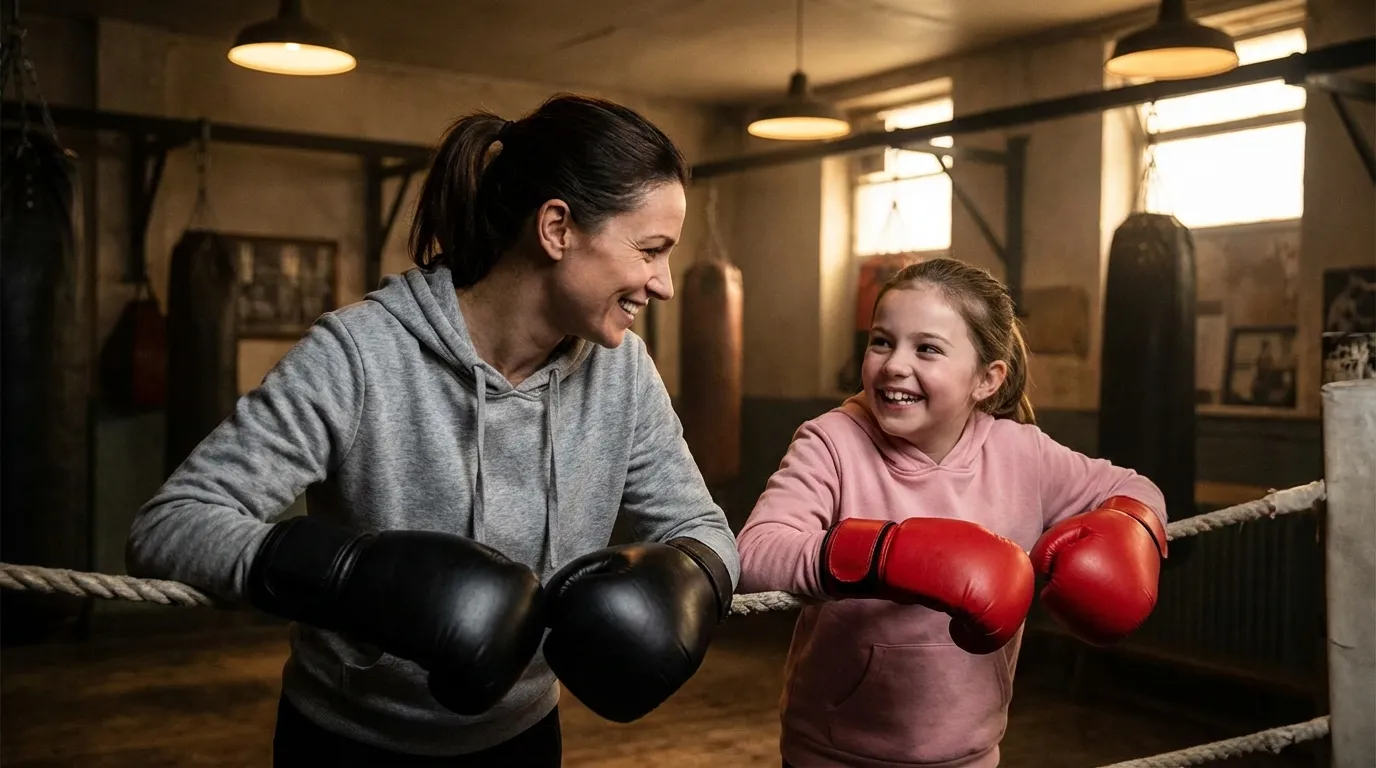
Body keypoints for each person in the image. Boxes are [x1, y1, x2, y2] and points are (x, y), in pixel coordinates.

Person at [125, 93, 740, 767]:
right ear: (558, 227)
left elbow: (704, 528)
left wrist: (690, 577)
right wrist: (354, 576)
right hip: (343, 742)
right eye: (651, 249)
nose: (665, 284)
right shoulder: (360, 354)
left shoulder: (623, 376)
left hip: (523, 740)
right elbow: (171, 525)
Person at [735, 257, 1168, 768]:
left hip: (969, 754)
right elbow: (757, 551)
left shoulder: (1020, 454)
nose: (895, 363)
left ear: (986, 379)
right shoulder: (833, 442)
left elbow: (1132, 486)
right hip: (834, 752)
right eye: (880, 341)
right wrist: (885, 554)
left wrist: (1131, 529)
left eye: (927, 349)